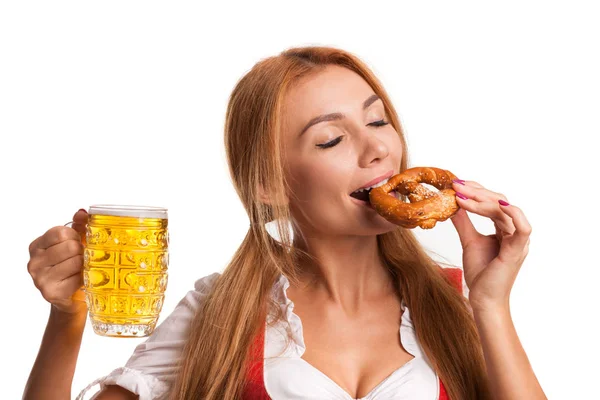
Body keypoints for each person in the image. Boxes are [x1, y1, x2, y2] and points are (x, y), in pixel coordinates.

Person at [23, 46, 546, 400]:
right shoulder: (222, 312)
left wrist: (491, 305)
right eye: (330, 139)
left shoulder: (460, 303)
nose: (377, 149)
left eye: (377, 119)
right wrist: (67, 318)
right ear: (270, 184)